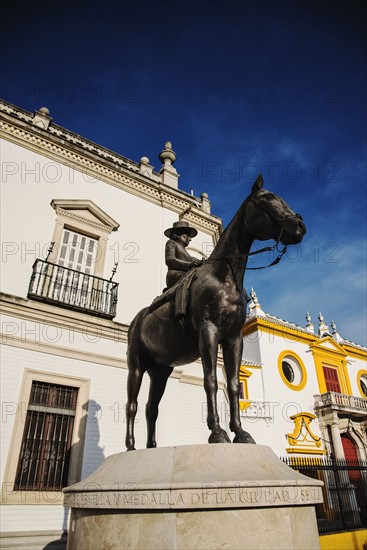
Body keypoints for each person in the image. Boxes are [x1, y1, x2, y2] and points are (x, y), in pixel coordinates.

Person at [164, 220, 203, 289]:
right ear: (178, 235)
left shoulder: (187, 254)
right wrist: (189, 265)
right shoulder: (171, 243)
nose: (190, 239)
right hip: (175, 275)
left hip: (186, 274)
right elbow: (170, 260)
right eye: (186, 236)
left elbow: (194, 260)